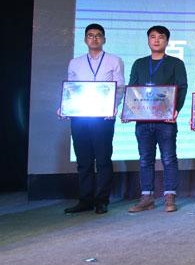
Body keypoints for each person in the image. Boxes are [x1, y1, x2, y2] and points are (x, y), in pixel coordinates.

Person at [62, 23, 125, 215]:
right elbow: (71, 89)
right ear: (85, 39)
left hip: (104, 116)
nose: (94, 38)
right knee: (84, 160)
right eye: (90, 35)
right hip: (80, 116)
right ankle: (85, 200)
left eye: (98, 35)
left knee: (103, 159)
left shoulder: (114, 60)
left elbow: (120, 87)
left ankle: (101, 200)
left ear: (104, 39)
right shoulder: (75, 63)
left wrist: (113, 107)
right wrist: (64, 106)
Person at [127, 25, 188, 213]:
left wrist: (175, 110)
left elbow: (182, 88)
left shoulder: (176, 63)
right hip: (143, 121)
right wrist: (130, 111)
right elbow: (133, 88)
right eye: (152, 37)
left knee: (168, 158)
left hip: (166, 121)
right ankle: (147, 197)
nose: (156, 40)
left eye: (161, 37)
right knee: (145, 159)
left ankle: (170, 196)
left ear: (167, 41)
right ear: (148, 40)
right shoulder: (139, 64)